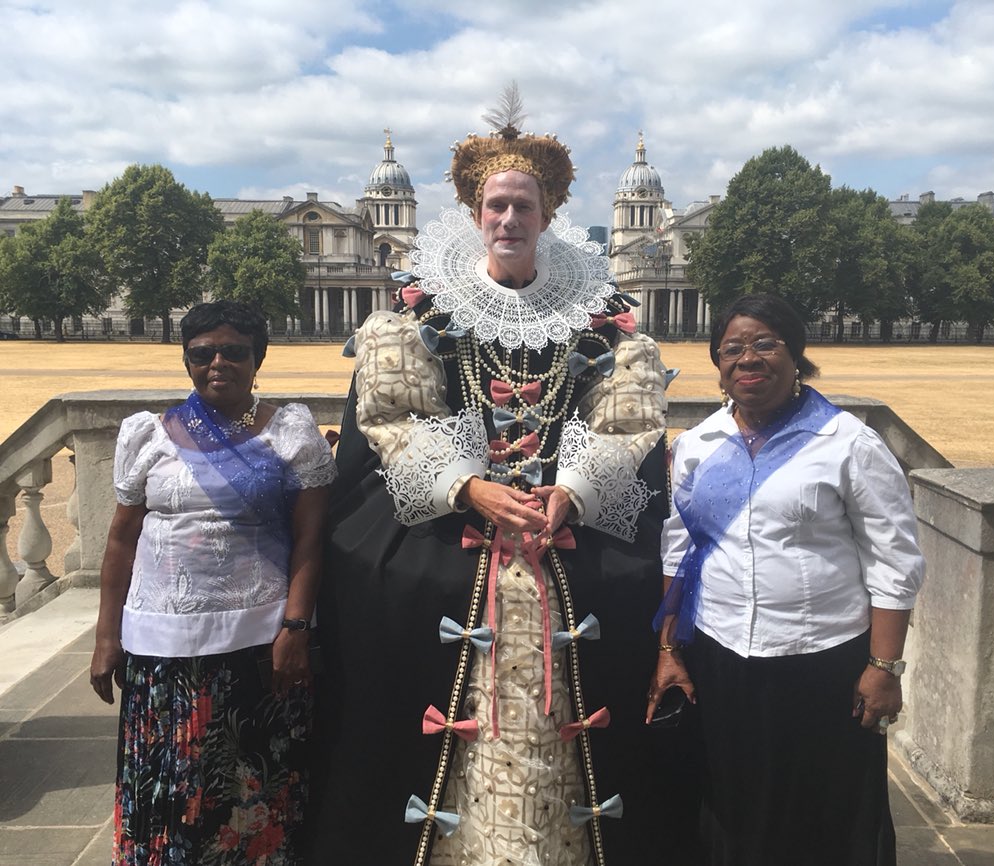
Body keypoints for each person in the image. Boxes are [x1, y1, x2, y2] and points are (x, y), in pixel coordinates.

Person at [306, 89, 697, 865]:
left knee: (620, 594)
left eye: (524, 205)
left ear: (548, 214)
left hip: (566, 522)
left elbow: (626, 418)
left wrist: (573, 492)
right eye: (496, 206)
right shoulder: (419, 311)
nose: (509, 220)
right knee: (392, 598)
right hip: (454, 518)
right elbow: (393, 415)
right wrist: (467, 486)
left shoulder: (602, 315)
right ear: (475, 214)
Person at [648, 292, 926, 866]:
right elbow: (679, 550)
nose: (748, 359)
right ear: (719, 368)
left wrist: (883, 667)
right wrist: (669, 649)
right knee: (734, 801)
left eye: (765, 344)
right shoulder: (699, 445)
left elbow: (894, 562)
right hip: (723, 658)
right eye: (732, 349)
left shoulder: (847, 442)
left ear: (795, 354)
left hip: (823, 661)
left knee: (826, 808)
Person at [90, 300, 336, 865]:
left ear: (258, 358)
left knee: (250, 789)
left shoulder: (289, 432)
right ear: (186, 360)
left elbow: (310, 540)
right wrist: (107, 638)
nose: (217, 362)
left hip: (256, 645)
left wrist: (296, 627)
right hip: (160, 650)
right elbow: (121, 541)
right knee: (170, 786)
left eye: (234, 351)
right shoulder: (149, 435)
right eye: (202, 353)